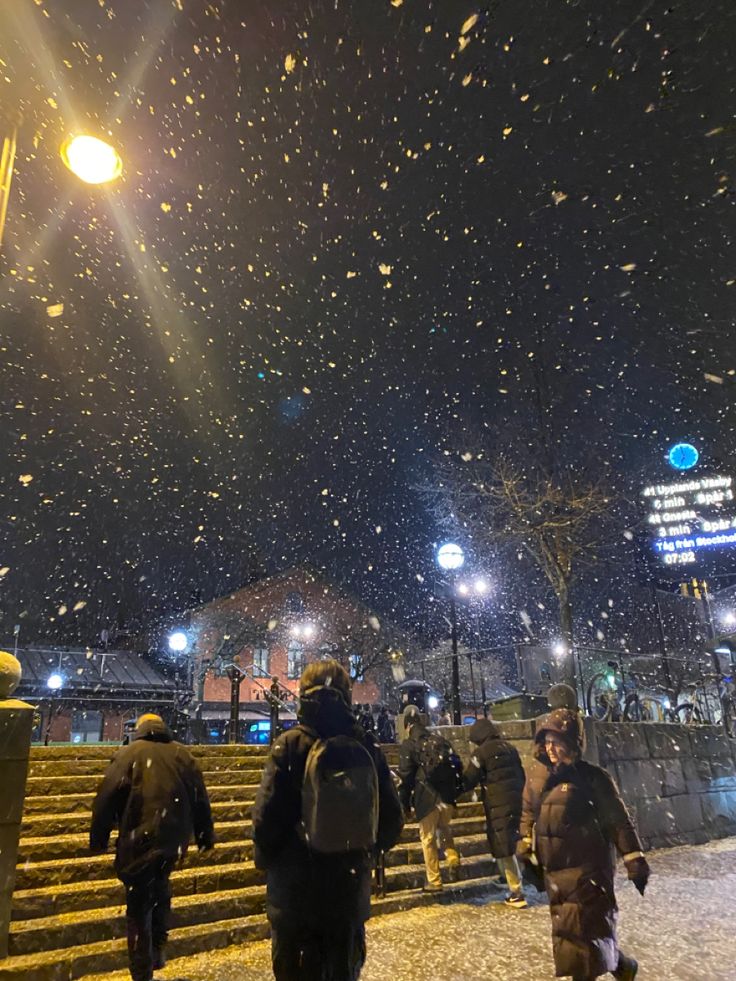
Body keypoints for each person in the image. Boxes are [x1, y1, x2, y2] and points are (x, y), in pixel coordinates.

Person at [252, 659, 403, 981]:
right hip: (346, 895)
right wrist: (360, 849)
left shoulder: (290, 745)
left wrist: (272, 861)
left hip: (295, 897)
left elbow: (266, 820)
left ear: (303, 695)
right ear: (348, 695)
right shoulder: (366, 745)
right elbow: (391, 822)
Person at [519, 709, 649, 981]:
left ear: (572, 743)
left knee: (582, 937)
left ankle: (614, 968)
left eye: (557, 742)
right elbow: (528, 815)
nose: (550, 748)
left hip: (588, 870)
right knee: (579, 937)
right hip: (556, 872)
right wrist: (526, 847)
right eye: (547, 741)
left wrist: (633, 858)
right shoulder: (536, 777)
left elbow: (617, 820)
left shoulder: (592, 778)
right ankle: (623, 966)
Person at [90, 713, 215, 981]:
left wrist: (99, 839)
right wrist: (204, 835)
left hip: (138, 840)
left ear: (139, 729)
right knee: (161, 888)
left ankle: (141, 968)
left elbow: (106, 798)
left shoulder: (128, 754)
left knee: (138, 907)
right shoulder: (181, 754)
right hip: (172, 840)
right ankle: (158, 946)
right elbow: (200, 797)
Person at [463, 717, 527, 908]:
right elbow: (521, 774)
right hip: (516, 800)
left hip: (498, 803)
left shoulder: (481, 753)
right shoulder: (510, 748)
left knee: (504, 844)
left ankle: (516, 892)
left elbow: (469, 779)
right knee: (511, 841)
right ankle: (511, 878)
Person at [398, 709, 462, 891]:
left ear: (408, 725)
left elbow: (405, 777)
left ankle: (434, 880)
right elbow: (456, 766)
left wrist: (404, 805)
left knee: (428, 838)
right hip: (446, 797)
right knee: (443, 828)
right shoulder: (439, 740)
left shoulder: (409, 745)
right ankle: (451, 855)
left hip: (427, 798)